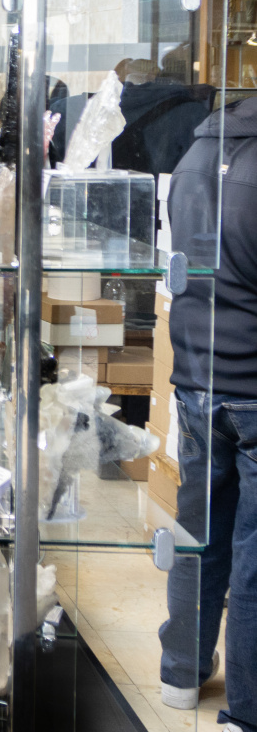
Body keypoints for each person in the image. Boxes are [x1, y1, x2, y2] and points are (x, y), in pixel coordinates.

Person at [159, 96, 255, 730]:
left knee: (197, 538)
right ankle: (247, 710)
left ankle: (181, 673)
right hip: (253, 386)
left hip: (196, 378)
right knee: (253, 557)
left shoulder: (195, 155)